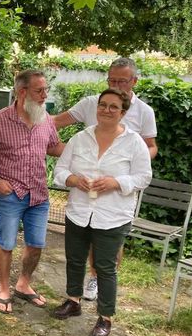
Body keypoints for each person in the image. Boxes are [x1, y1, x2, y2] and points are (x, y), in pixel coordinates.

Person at [53, 57, 158, 301]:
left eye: (122, 81)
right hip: (83, 198)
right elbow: (56, 122)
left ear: (134, 81)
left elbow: (149, 150)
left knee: (106, 255)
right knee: (77, 251)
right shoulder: (89, 108)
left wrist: (123, 174)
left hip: (114, 200)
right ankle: (74, 299)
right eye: (112, 80)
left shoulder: (143, 114)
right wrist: (42, 140)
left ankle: (97, 285)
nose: (117, 85)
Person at [0, 70, 64, 314]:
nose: (45, 95)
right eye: (39, 90)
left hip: (39, 194)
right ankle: (3, 288)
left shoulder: (45, 119)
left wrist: (87, 147)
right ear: (23, 92)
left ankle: (23, 283)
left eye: (45, 90)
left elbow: (54, 147)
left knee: (36, 244)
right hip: (10, 194)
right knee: (7, 244)